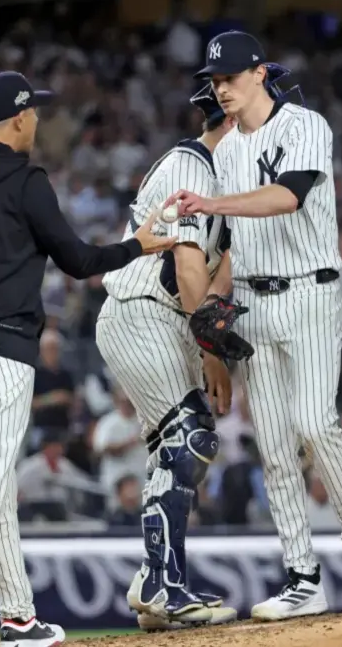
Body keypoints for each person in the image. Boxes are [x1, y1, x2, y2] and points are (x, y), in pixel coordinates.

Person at [0, 70, 175, 647]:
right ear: (18, 118)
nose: (38, 119)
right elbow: (76, 260)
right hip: (0, 353)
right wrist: (137, 246)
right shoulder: (26, 180)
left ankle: (19, 618)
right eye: (34, 111)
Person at [168, 30, 342, 620]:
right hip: (253, 302)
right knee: (272, 444)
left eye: (231, 78)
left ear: (260, 74)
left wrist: (210, 204)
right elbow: (237, 246)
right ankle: (301, 574)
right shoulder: (225, 151)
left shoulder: (306, 125)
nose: (221, 88)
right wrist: (210, 308)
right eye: (214, 81)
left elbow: (287, 196)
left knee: (316, 424)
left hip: (311, 293)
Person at [95, 84, 238, 631]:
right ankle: (162, 583)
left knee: (175, 450)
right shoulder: (192, 165)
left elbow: (215, 270)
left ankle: (154, 579)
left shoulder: (219, 179)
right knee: (189, 437)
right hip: (142, 310)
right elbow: (186, 269)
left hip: (163, 321)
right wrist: (214, 354)